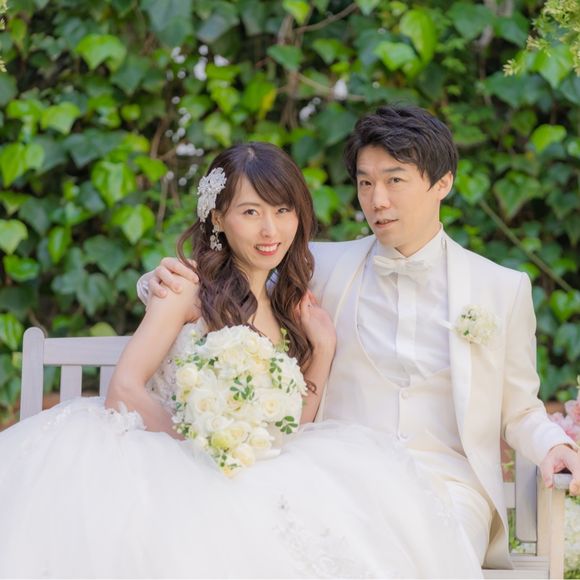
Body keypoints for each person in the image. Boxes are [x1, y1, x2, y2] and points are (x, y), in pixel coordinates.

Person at [0, 141, 481, 579]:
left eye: (283, 210)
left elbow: (292, 425)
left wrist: (323, 348)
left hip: (252, 465)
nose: (270, 230)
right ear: (218, 217)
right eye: (251, 212)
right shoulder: (186, 288)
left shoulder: (289, 304)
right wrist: (204, 448)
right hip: (170, 455)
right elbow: (123, 389)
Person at [139, 106, 580, 571]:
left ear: (443, 183)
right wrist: (156, 282)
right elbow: (228, 282)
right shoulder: (319, 267)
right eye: (365, 183)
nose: (377, 200)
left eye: (394, 180)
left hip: (447, 489)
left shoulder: (501, 288)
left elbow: (521, 408)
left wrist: (555, 446)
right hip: (334, 477)